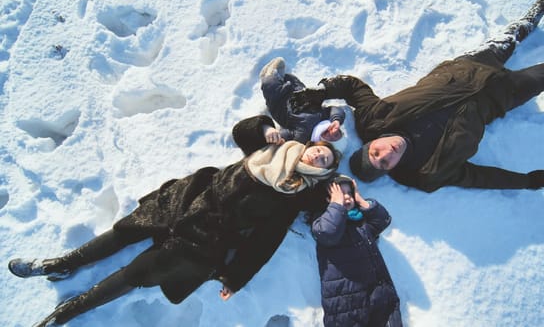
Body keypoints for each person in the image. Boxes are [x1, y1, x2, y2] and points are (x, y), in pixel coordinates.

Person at [7, 114, 340, 327]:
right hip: (190, 196)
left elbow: (265, 242)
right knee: (125, 231)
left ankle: (68, 311)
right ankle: (61, 264)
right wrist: (265, 127)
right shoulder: (275, 146)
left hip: (208, 235)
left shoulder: (290, 197)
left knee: (139, 273)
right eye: (320, 150)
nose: (318, 156)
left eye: (324, 161)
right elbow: (242, 131)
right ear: (312, 144)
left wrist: (235, 277)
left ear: (321, 171)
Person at [291, 0, 544, 193]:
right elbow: (477, 177)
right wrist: (524, 181)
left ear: (372, 142)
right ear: (392, 170)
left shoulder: (375, 117)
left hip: (464, 70)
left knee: (507, 41)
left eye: (376, 152)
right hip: (497, 98)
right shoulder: (428, 172)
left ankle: (529, 19)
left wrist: (321, 93)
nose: (387, 152)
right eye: (385, 163)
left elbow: (352, 86)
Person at [311, 174, 402, 326]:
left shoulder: (361, 224)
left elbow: (383, 220)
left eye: (349, 193)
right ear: (328, 199)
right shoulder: (322, 222)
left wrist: (361, 200)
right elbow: (328, 233)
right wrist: (337, 206)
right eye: (339, 194)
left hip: (378, 294)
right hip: (346, 300)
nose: (346, 197)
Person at [259, 57, 348, 153]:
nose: (332, 132)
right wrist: (336, 120)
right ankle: (282, 77)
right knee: (292, 80)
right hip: (300, 95)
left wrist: (277, 137)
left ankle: (269, 76)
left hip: (281, 104)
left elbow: (287, 136)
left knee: (270, 86)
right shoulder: (326, 119)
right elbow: (335, 110)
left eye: (333, 138)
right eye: (337, 133)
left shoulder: (304, 137)